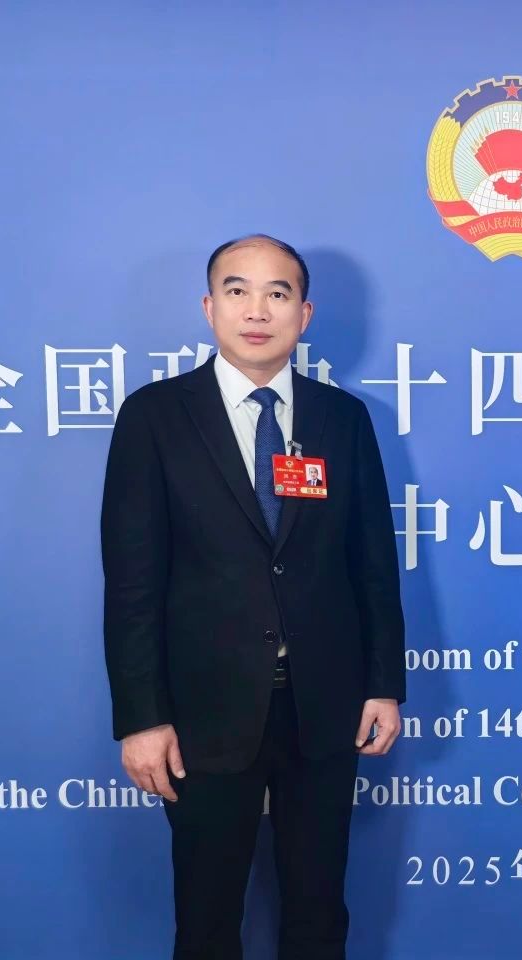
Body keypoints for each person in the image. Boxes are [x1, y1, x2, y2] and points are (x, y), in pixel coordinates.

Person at [101, 233, 405, 959]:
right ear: (210, 307)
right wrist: (142, 717)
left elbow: (372, 563)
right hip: (202, 712)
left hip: (323, 706)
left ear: (305, 313)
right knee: (207, 920)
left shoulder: (342, 419)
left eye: (278, 293)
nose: (257, 310)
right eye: (237, 291)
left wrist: (383, 684)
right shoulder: (156, 416)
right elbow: (133, 582)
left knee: (318, 914)